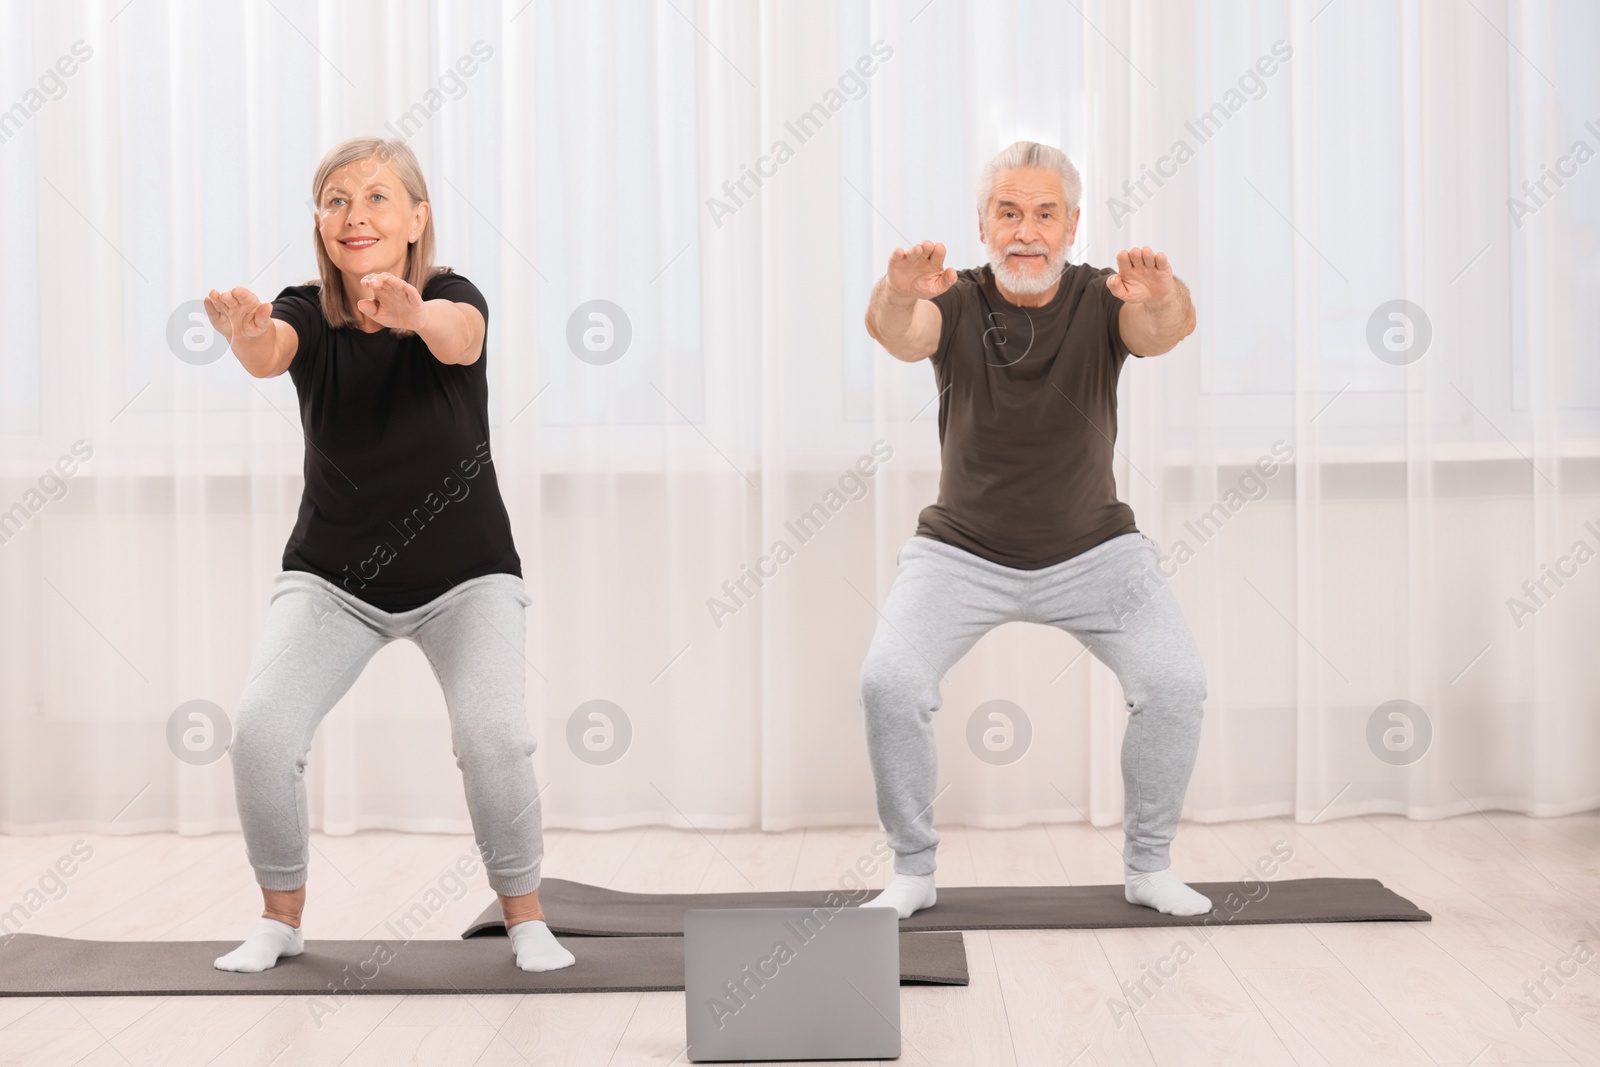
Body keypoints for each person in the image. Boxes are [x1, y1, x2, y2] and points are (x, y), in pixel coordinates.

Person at [203, 136, 573, 973]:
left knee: (493, 737)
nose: (356, 214)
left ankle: (525, 918)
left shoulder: (452, 296)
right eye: (337, 200)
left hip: (467, 576)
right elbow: (272, 354)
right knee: (261, 731)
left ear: (416, 217)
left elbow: (460, 339)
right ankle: (281, 918)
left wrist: (412, 315)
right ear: (320, 224)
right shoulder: (306, 307)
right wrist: (246, 336)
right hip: (333, 579)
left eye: (377, 197)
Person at [857, 140, 1209, 919]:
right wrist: (894, 290)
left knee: (1176, 684)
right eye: (1009, 213)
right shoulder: (956, 296)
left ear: (1072, 224)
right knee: (889, 683)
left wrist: (1162, 294)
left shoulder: (1101, 296)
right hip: (960, 553)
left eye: (1045, 214)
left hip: (1096, 550)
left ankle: (1148, 866)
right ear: (983, 225)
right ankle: (913, 870)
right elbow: (901, 332)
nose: (1027, 231)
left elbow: (1163, 331)